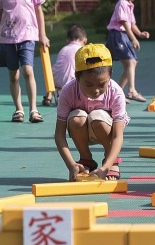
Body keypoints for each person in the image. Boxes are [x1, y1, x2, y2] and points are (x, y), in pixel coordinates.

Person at [54, 44, 129, 181]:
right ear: (77, 77)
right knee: (77, 117)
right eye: (88, 85)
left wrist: (107, 166)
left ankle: (110, 160)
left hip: (106, 129)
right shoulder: (67, 92)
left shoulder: (116, 92)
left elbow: (118, 136)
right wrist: (71, 165)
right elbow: (59, 134)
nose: (95, 91)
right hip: (81, 129)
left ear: (110, 75)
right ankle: (86, 159)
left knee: (98, 117)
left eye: (101, 85)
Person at [0, 0, 48, 123]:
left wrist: (42, 35)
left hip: (28, 36)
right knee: (13, 75)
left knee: (28, 71)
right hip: (8, 39)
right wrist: (5, 30)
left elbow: (39, 11)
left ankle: (34, 109)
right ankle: (19, 110)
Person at [106, 0, 150, 103]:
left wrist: (140, 34)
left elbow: (132, 24)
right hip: (117, 36)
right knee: (130, 62)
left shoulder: (129, 4)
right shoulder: (122, 3)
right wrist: (133, 39)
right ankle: (131, 91)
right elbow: (124, 23)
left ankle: (118, 93)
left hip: (123, 36)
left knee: (131, 63)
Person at [51, 24, 88, 102]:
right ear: (85, 41)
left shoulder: (63, 49)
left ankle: (51, 95)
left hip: (59, 90)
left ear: (68, 40)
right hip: (73, 91)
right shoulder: (81, 50)